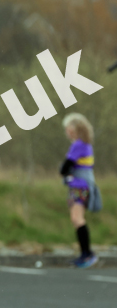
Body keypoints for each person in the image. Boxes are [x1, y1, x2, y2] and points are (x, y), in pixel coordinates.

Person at [59, 113, 101, 268]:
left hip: (79, 186)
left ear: (75, 129)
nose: (66, 132)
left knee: (78, 218)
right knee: (76, 219)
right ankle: (85, 253)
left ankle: (87, 254)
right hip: (81, 185)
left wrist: (66, 172)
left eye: (68, 128)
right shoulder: (86, 145)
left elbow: (65, 167)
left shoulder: (79, 145)